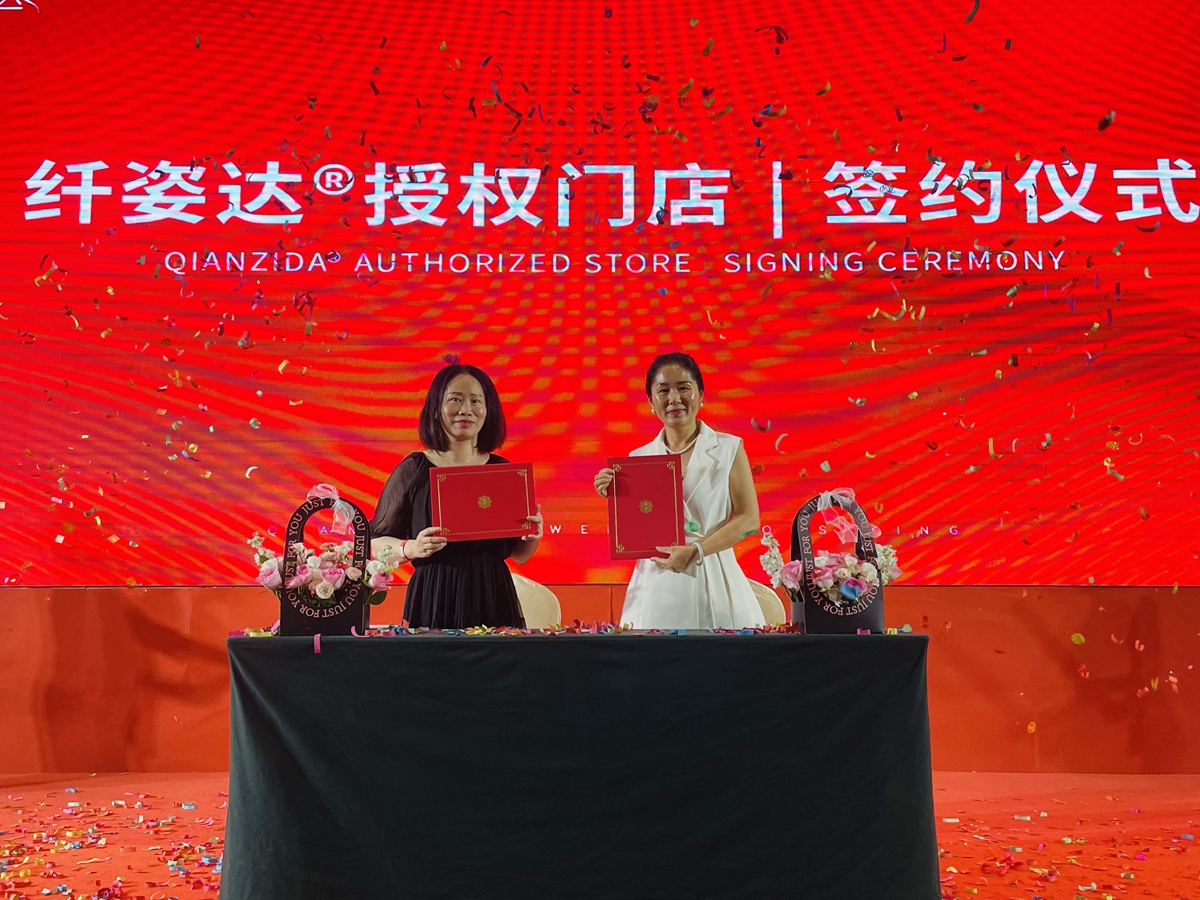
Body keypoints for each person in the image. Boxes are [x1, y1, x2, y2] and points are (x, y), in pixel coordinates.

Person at [593, 353, 765, 629]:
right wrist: (616, 498)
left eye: (683, 388)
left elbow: (749, 521)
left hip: (713, 576)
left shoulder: (728, 448)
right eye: (663, 391)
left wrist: (697, 550)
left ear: (701, 395)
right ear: (651, 402)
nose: (674, 398)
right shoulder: (637, 460)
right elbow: (636, 531)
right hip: (656, 586)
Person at [370, 362, 542, 628]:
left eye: (476, 400)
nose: (466, 409)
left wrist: (533, 535)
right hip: (434, 593)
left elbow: (520, 554)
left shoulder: (503, 471)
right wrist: (411, 548)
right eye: (455, 399)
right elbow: (376, 543)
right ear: (435, 409)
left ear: (488, 410)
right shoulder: (413, 469)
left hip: (492, 593)